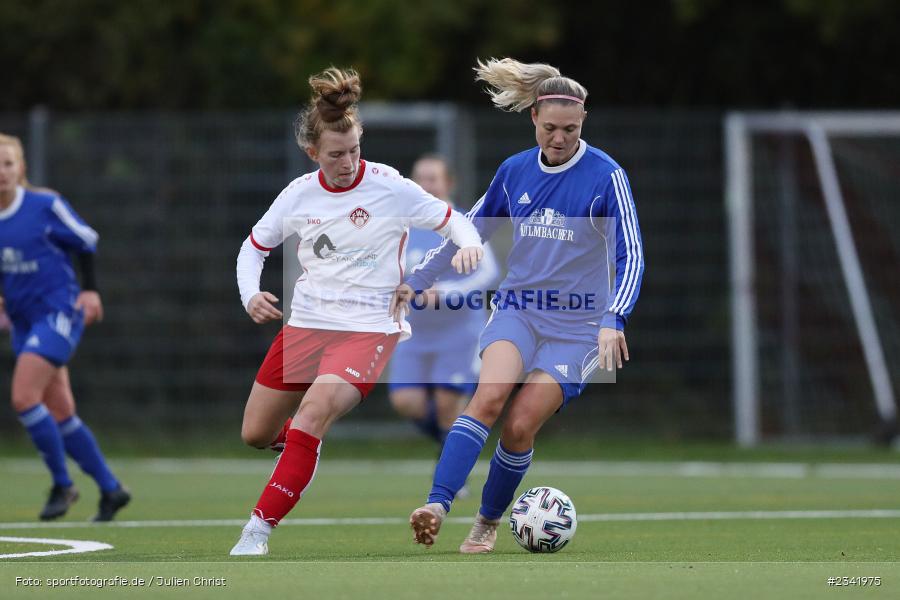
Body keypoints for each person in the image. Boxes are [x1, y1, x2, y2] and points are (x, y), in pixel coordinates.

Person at [229, 67, 484, 556]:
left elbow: (455, 222)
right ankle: (302, 448)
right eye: (335, 155)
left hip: (368, 328)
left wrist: (468, 244)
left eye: (354, 151)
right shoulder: (299, 194)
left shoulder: (391, 186)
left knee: (312, 415)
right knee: (255, 433)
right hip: (306, 326)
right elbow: (253, 247)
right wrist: (250, 294)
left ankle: (257, 530)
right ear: (313, 154)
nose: (347, 163)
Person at [394, 58, 645, 553]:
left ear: (583, 122)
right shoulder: (514, 171)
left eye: (570, 130)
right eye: (550, 128)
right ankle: (437, 504)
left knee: (520, 424)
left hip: (578, 326)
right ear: (533, 117)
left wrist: (613, 318)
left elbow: (631, 253)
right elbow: (468, 229)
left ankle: (487, 523)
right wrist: (417, 280)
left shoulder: (606, 175)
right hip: (519, 310)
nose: (559, 138)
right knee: (486, 400)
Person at [0, 133, 131, 522]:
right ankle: (111, 490)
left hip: (58, 312)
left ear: (21, 169)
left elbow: (86, 240)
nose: (1, 173)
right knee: (60, 411)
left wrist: (90, 290)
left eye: (7, 164)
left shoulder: (43, 205)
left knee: (24, 397)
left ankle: (63, 484)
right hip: (24, 321)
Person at [387, 155, 499, 478]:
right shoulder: (403, 227)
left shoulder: (464, 222)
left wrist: (446, 294)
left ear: (448, 183)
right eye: (419, 178)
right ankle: (456, 452)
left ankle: (452, 472)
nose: (426, 185)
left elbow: (489, 272)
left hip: (459, 331)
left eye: (432, 178)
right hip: (415, 331)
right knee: (406, 400)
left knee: (448, 408)